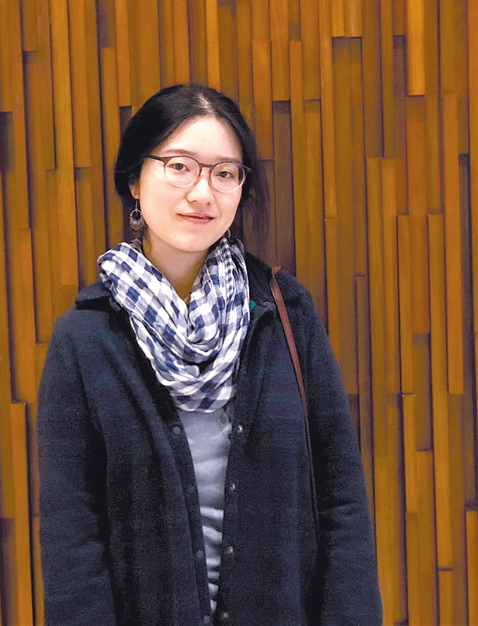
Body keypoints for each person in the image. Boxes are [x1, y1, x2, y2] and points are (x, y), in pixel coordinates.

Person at [37, 84, 383, 625]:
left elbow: (342, 503)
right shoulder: (86, 339)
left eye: (224, 173)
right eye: (180, 166)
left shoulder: (284, 314)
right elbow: (72, 538)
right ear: (134, 180)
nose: (203, 193)